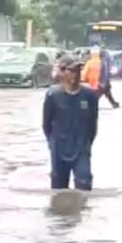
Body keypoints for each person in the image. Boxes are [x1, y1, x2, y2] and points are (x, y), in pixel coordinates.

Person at [42, 56, 98, 191]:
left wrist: (86, 144)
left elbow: (93, 125)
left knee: (84, 186)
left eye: (78, 70)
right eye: (72, 70)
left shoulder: (89, 95)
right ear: (62, 73)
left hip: (81, 150)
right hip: (59, 149)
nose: (76, 74)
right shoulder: (53, 95)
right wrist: (53, 143)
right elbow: (46, 124)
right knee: (58, 191)